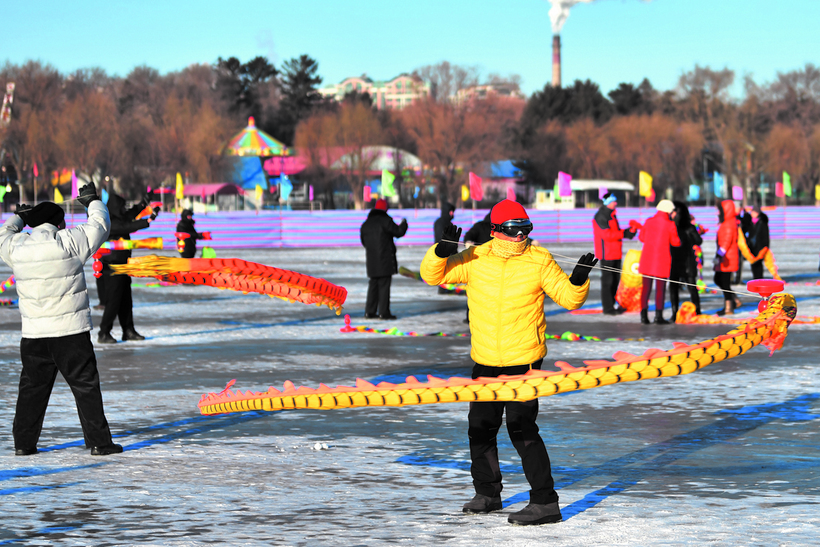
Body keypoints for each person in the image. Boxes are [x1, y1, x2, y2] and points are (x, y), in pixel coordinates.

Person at [420, 199, 596, 526]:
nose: (521, 238)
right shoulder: (475, 257)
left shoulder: (538, 259)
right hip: (485, 361)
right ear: (497, 231)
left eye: (526, 230)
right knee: (480, 427)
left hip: (524, 361)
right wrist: (441, 252)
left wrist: (578, 279)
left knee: (521, 428)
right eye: (515, 231)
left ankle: (545, 502)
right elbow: (432, 277)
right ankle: (487, 493)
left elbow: (570, 300)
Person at [0, 186, 123, 456]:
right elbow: (100, 225)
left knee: (31, 391)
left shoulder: (17, 247)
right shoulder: (68, 241)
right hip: (71, 333)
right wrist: (92, 201)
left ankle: (23, 444)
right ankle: (99, 443)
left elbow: (2, 236)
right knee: (85, 387)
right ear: (58, 223)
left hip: (34, 335)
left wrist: (18, 218)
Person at [97, 193, 159, 344]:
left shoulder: (119, 216)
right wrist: (148, 220)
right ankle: (104, 332)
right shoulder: (109, 222)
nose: (124, 209)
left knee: (126, 300)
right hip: (112, 267)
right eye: (121, 207)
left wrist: (144, 202)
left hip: (123, 265)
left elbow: (131, 214)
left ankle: (128, 330)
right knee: (113, 301)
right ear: (115, 208)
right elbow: (127, 226)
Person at [360, 198, 408, 320]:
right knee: (384, 286)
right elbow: (398, 232)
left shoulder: (366, 224)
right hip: (385, 260)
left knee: (373, 285)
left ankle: (369, 312)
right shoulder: (386, 221)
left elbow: (364, 242)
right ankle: (383, 312)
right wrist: (404, 224)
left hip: (372, 260)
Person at [592, 192, 636, 315]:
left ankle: (612, 304)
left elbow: (615, 232)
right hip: (606, 254)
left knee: (615, 280)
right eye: (613, 201)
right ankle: (608, 308)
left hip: (615, 253)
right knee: (607, 281)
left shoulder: (611, 215)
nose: (616, 203)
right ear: (607, 203)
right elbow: (606, 235)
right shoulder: (601, 216)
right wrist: (624, 234)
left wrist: (626, 232)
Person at [638, 200, 681, 325]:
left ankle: (644, 315)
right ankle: (658, 316)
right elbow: (675, 242)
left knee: (646, 288)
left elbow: (642, 238)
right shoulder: (670, 224)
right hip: (662, 260)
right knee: (660, 289)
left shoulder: (649, 221)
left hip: (647, 259)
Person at [669, 201, 703, 318]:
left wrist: (690, 238)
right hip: (676, 260)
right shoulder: (671, 226)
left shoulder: (687, 227)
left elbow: (698, 240)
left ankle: (696, 310)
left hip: (686, 261)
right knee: (675, 287)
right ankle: (675, 312)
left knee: (690, 287)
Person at [713, 200, 740, 316]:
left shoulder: (729, 223)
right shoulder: (727, 222)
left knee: (724, 282)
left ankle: (729, 307)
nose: (718, 213)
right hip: (725, 257)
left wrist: (719, 255)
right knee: (718, 279)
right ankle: (734, 300)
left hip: (727, 258)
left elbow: (726, 241)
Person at [739, 205, 770, 281]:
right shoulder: (750, 222)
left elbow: (766, 236)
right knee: (753, 264)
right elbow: (744, 228)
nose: (752, 213)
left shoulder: (762, 223)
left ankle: (759, 280)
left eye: (753, 212)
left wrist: (765, 247)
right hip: (752, 246)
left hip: (760, 247)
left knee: (758, 265)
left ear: (757, 213)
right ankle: (756, 280)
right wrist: (745, 215)